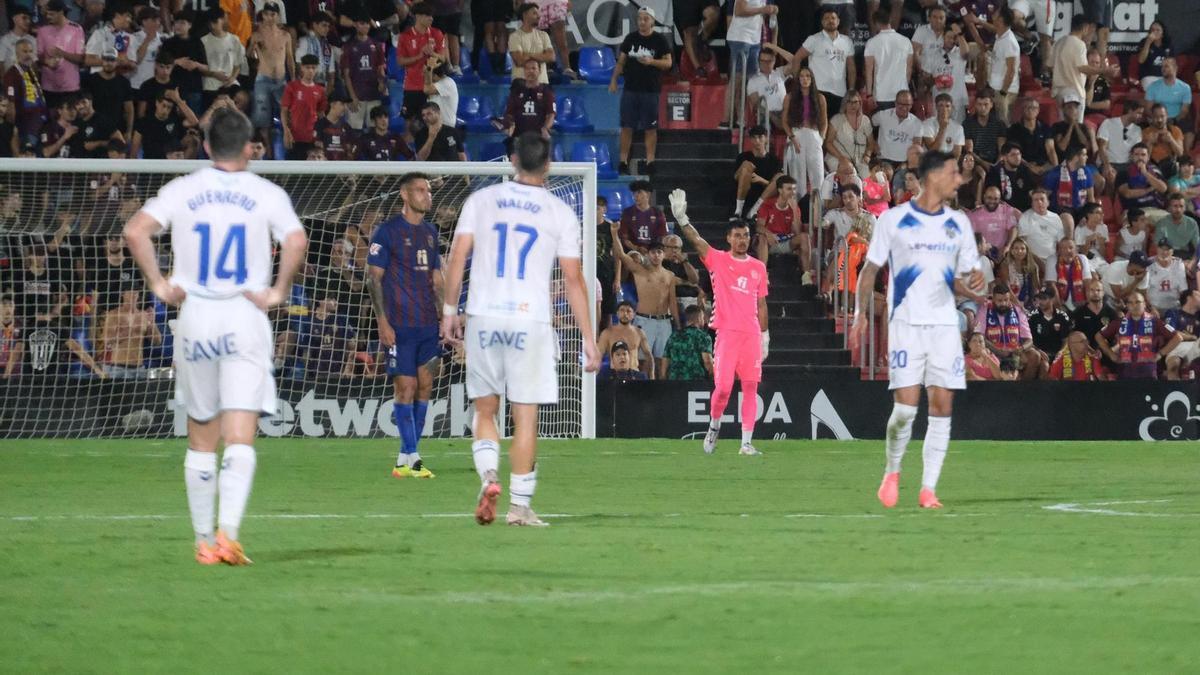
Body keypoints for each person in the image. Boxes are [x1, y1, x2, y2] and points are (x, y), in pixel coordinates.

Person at [123, 106, 309, 565]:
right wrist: (278, 292)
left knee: (200, 436)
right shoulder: (265, 191)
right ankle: (229, 535)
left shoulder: (183, 188)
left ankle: (204, 542)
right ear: (250, 148)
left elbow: (134, 230)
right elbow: (297, 240)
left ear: (205, 146)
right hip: (244, 314)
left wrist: (160, 284)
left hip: (197, 316)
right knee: (241, 436)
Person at [440, 132, 600, 527]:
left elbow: (458, 254)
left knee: (485, 408)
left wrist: (448, 310)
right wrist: (589, 339)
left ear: (512, 161)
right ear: (548, 166)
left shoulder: (481, 200)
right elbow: (574, 280)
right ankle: (519, 506)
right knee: (525, 416)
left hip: (483, 315)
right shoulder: (560, 211)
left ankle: (489, 475)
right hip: (531, 320)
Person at [851, 150, 985, 509]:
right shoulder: (893, 220)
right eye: (953, 174)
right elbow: (869, 271)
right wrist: (859, 313)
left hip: (944, 326)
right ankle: (892, 471)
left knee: (942, 406)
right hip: (907, 325)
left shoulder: (959, 223)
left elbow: (960, 279)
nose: (959, 180)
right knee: (906, 411)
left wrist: (973, 284)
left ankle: (928, 489)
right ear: (932, 177)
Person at [670, 191, 770, 456]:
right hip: (726, 333)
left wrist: (765, 334)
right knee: (723, 388)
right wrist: (682, 218)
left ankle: (746, 443)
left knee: (750, 387)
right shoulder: (718, 260)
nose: (742, 239)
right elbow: (697, 241)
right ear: (728, 239)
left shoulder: (758, 267)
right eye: (737, 235)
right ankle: (714, 426)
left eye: (746, 235)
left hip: (750, 334)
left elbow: (761, 304)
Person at [364, 173, 442, 479]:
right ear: (404, 195)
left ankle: (404, 459)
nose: (427, 195)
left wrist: (447, 315)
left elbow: (436, 280)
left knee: (424, 386)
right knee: (405, 387)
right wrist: (382, 320)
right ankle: (414, 457)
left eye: (428, 190)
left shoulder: (431, 233)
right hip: (399, 324)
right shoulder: (387, 232)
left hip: (427, 325)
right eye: (420, 190)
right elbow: (374, 279)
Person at [610, 7, 671, 175]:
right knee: (627, 126)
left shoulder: (659, 40)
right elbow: (621, 61)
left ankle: (650, 161)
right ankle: (623, 161)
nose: (642, 22)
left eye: (646, 19)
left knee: (650, 127)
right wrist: (614, 80)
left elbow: (668, 63)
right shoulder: (630, 38)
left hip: (650, 91)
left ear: (652, 21)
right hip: (631, 89)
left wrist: (652, 62)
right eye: (640, 19)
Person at [610, 227, 679, 370]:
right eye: (653, 252)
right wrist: (614, 233)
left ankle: (661, 390)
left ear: (664, 255)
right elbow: (622, 255)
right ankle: (644, 389)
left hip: (664, 322)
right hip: (644, 321)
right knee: (642, 360)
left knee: (662, 361)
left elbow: (672, 302)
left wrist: (677, 324)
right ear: (648, 254)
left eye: (659, 252)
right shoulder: (639, 271)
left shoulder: (670, 276)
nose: (656, 255)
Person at [718, 0, 776, 129]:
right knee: (737, 78)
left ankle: (741, 119)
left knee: (749, 80)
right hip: (740, 38)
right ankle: (726, 119)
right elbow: (740, 10)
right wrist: (763, 10)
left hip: (754, 39)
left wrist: (770, 11)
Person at [1097, 291, 1180, 379]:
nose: (1134, 305)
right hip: (1124, 372)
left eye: (1138, 302)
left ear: (1144, 304)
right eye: (1131, 303)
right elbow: (1099, 336)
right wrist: (1111, 354)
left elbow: (1177, 337)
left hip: (1148, 373)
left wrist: (1160, 354)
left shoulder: (1155, 321)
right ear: (1127, 305)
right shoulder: (1119, 322)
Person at [249, 3, 294, 157]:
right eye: (267, 14)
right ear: (263, 15)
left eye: (273, 14)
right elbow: (249, 56)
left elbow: (290, 60)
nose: (270, 17)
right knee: (263, 124)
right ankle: (268, 158)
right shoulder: (257, 34)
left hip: (281, 80)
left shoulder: (285, 35)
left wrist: (293, 81)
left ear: (278, 16)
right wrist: (253, 46)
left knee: (287, 119)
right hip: (263, 79)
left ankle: (285, 158)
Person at [974, 283, 1044, 380]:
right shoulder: (984, 310)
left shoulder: (1018, 311)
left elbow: (1029, 340)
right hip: (993, 352)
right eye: (999, 300)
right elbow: (978, 336)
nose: (1003, 303)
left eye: (1006, 300)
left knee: (1034, 356)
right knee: (981, 353)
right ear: (993, 299)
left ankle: (1023, 390)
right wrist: (998, 351)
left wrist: (1021, 349)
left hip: (1015, 352)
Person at [794, 7, 855, 116]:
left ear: (838, 21)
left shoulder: (847, 41)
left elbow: (851, 68)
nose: (830, 20)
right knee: (818, 127)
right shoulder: (814, 39)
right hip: (817, 92)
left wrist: (851, 90)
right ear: (822, 22)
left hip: (840, 92)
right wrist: (798, 83)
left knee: (835, 128)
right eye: (826, 18)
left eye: (833, 18)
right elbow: (797, 58)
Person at [781, 68, 827, 199]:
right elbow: (784, 121)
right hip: (796, 134)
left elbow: (824, 121)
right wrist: (792, 137)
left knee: (818, 175)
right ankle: (797, 210)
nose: (805, 79)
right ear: (797, 79)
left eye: (808, 76)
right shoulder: (789, 97)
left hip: (814, 135)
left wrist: (821, 138)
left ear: (812, 79)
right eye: (801, 76)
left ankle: (818, 209)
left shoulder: (820, 98)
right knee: (797, 176)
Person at [97, 284, 162, 378]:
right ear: (123, 294)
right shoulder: (114, 314)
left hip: (139, 368)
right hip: (119, 368)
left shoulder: (144, 315)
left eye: (136, 291)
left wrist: (152, 323)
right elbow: (107, 341)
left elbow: (157, 341)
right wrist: (128, 331)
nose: (134, 293)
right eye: (131, 290)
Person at [395, 2, 445, 121]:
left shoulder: (437, 33)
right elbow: (400, 62)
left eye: (432, 15)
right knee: (410, 124)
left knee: (432, 123)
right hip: (412, 87)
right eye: (427, 15)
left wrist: (432, 53)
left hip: (432, 87)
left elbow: (443, 59)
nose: (431, 18)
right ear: (417, 16)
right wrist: (419, 55)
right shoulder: (405, 36)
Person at [755, 175, 811, 280]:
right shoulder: (767, 204)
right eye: (789, 189)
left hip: (786, 241)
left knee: (804, 237)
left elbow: (797, 232)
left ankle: (806, 275)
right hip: (769, 242)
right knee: (762, 237)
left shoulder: (795, 207)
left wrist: (794, 210)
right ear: (780, 190)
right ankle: (763, 274)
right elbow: (758, 226)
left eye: (794, 189)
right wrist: (768, 233)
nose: (793, 192)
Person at [36, 0, 87, 110]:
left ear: (61, 12)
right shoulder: (42, 31)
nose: (48, 16)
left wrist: (62, 53)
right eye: (47, 14)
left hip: (70, 86)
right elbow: (38, 57)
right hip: (48, 86)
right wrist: (47, 62)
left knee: (71, 120)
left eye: (51, 14)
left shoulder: (76, 29)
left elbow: (80, 58)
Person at [339, 13, 386, 131]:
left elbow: (380, 68)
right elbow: (346, 74)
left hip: (373, 94)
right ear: (355, 25)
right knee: (354, 131)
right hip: (357, 96)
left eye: (367, 24)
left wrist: (382, 82)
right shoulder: (348, 46)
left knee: (375, 130)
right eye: (362, 24)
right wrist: (352, 97)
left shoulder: (377, 45)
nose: (365, 26)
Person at [862, 9, 912, 113]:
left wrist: (869, 94)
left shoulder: (872, 43)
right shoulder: (906, 41)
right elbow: (909, 70)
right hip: (902, 94)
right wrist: (904, 88)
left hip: (881, 95)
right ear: (890, 21)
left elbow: (869, 71)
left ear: (875, 23)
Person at [281, 54, 328, 160]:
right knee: (293, 170)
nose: (310, 71)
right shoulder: (292, 87)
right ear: (302, 67)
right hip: (294, 136)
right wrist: (286, 131)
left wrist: (322, 135)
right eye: (307, 67)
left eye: (313, 68)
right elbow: (284, 110)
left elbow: (321, 115)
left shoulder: (320, 90)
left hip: (312, 138)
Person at [498, 59, 555, 145]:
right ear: (524, 71)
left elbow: (551, 114)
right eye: (527, 68)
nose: (530, 71)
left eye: (533, 68)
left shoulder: (546, 91)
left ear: (539, 71)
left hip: (539, 138)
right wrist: (509, 125)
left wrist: (545, 128)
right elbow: (509, 114)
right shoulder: (516, 91)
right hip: (519, 137)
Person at [733, 126, 783, 219]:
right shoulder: (743, 156)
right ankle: (738, 211)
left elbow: (777, 186)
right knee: (747, 165)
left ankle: (754, 210)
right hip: (745, 192)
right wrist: (746, 174)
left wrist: (760, 180)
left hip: (764, 195)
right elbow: (735, 177)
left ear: (766, 139)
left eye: (760, 137)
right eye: (754, 138)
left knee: (780, 177)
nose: (757, 141)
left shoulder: (774, 160)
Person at [1144, 57, 1193, 150]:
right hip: (1157, 118)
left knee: (1189, 129)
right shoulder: (1153, 87)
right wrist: (1159, 119)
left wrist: (1173, 120)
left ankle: (1185, 156)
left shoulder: (1185, 88)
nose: (1163, 69)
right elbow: (1148, 109)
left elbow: (1184, 110)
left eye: (1166, 66)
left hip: (1177, 118)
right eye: (1162, 66)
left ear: (1175, 68)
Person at [1097, 100, 1144, 193]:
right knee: (1110, 175)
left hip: (1128, 164)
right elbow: (1102, 147)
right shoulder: (1108, 123)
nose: (1140, 116)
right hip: (1110, 162)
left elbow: (1136, 151)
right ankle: (1110, 204)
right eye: (1138, 113)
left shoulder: (1137, 129)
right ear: (1130, 111)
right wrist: (1107, 165)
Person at [825, 90, 875, 177]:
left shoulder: (865, 120)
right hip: (838, 158)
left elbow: (871, 143)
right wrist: (841, 158)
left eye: (855, 102)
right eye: (849, 102)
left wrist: (867, 155)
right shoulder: (836, 119)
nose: (853, 105)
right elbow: (828, 143)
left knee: (867, 176)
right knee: (846, 173)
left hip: (859, 160)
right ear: (845, 104)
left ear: (860, 103)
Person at [597, 301, 653, 378]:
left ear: (633, 315)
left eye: (628, 311)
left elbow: (648, 356)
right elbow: (598, 357)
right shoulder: (607, 333)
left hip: (634, 376)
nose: (625, 314)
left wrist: (652, 377)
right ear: (617, 313)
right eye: (622, 310)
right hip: (614, 376)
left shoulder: (639, 333)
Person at [660, 305, 713, 380]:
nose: (704, 321)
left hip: (675, 382)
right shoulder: (703, 336)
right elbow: (707, 362)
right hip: (696, 383)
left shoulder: (674, 336)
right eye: (702, 318)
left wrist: (663, 380)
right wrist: (712, 379)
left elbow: (665, 361)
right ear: (699, 318)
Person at [1116, 143, 1168, 219]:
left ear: (1148, 157)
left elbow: (1163, 189)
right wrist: (1149, 189)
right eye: (1136, 154)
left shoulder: (1154, 171)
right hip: (1134, 211)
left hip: (1155, 209)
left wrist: (1145, 172)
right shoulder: (1123, 172)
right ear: (1131, 157)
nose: (1140, 157)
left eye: (1143, 155)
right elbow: (1127, 193)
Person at [986, 7, 1019, 125]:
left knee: (1003, 124)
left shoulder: (1009, 42)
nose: (992, 15)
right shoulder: (1000, 36)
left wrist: (1003, 93)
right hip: (996, 88)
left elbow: (1011, 70)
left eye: (995, 14)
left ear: (1000, 19)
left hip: (1005, 91)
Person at [873, 90, 922, 167]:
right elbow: (866, 125)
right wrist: (872, 142)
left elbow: (917, 145)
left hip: (904, 163)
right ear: (895, 103)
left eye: (907, 105)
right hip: (883, 160)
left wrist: (908, 164)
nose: (904, 108)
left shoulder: (917, 122)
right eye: (901, 104)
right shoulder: (883, 115)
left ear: (911, 105)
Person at [618, 180, 668, 254]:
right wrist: (636, 248)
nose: (635, 196)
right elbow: (624, 239)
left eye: (639, 192)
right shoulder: (627, 213)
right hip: (632, 253)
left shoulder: (658, 213)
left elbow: (663, 237)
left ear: (648, 194)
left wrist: (653, 252)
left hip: (653, 253)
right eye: (633, 193)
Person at [969, 186, 1019, 259]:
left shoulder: (1006, 210)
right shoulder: (974, 214)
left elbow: (1013, 229)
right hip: (983, 254)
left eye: (996, 199)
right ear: (984, 197)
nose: (992, 201)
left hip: (1004, 253)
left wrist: (1008, 246)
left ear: (999, 199)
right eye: (989, 198)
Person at [985, 143, 1037, 212]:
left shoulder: (1024, 170)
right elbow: (992, 197)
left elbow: (1032, 190)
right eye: (1013, 155)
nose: (1017, 157)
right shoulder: (994, 172)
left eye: (1018, 154)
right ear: (1004, 157)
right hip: (1002, 211)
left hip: (1024, 211)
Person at [1019, 189, 1067, 263]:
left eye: (1042, 199)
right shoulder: (1025, 217)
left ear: (1048, 202)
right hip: (1033, 260)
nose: (1039, 202)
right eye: (1036, 200)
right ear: (1032, 204)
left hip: (1053, 259)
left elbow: (1060, 242)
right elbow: (1022, 242)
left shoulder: (1055, 218)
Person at [963, 89, 1006, 170]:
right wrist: (984, 164)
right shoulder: (967, 124)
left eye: (986, 104)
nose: (982, 108)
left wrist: (996, 165)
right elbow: (969, 150)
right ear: (975, 105)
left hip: (995, 161)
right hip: (976, 161)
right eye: (979, 104)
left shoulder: (999, 124)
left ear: (991, 105)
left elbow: (1002, 149)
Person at [1028, 285, 1071, 366]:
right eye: (1039, 298)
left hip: (1058, 354)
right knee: (1044, 366)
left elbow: (1066, 340)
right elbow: (1027, 339)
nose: (1040, 302)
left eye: (1044, 298)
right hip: (1039, 354)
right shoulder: (1032, 316)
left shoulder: (1062, 316)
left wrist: (1061, 351)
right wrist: (1038, 350)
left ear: (1052, 299)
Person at [1163, 290, 1200, 380]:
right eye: (1198, 295)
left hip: (1196, 346)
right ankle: (1175, 391)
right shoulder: (1173, 313)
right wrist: (1191, 337)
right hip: (1177, 345)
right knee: (1173, 365)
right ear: (1189, 298)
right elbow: (1170, 331)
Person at [1146, 239, 1187, 314]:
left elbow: (1183, 290)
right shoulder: (1149, 264)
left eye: (1167, 249)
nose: (1164, 252)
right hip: (1153, 307)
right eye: (1162, 249)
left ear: (1172, 251)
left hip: (1173, 308)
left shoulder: (1178, 264)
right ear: (1157, 249)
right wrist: (1151, 308)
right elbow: (1144, 291)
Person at [1144, 102, 1185, 173]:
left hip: (1170, 166)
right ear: (1152, 117)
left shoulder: (1175, 130)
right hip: (1153, 167)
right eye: (1156, 117)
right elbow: (1145, 159)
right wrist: (1149, 143)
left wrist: (1171, 140)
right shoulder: (1145, 132)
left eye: (1162, 116)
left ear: (1167, 116)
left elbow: (1180, 153)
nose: (1159, 120)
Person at [1155, 194, 1199, 259]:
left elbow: (1197, 246)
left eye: (1181, 206)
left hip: (1187, 255)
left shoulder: (1192, 223)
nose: (1178, 210)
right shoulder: (1162, 223)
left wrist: (1192, 262)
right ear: (1169, 208)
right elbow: (1158, 246)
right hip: (1168, 255)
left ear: (1185, 208)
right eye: (1175, 206)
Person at [920, 94, 964, 159]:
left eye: (947, 106)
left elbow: (956, 154)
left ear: (951, 108)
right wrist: (942, 129)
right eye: (941, 105)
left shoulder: (958, 128)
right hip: (930, 163)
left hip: (949, 164)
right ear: (936, 107)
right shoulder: (927, 124)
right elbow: (932, 152)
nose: (944, 109)